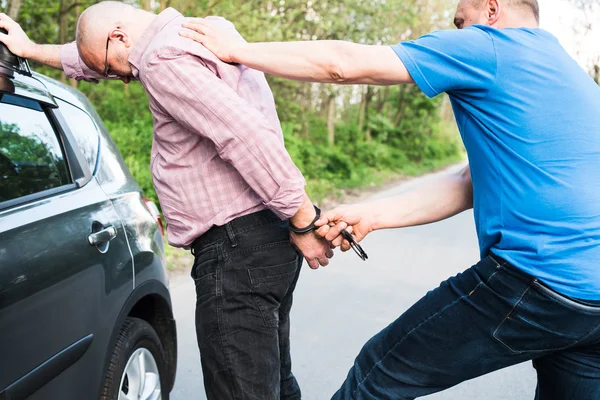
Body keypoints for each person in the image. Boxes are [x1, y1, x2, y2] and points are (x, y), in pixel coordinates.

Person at [179, 0, 600, 398]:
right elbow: (470, 183)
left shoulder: (490, 46)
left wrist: (239, 50)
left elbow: (340, 65)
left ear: (491, 9)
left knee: (378, 373)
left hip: (539, 279)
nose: (455, 29)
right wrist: (374, 215)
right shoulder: (566, 70)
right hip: (592, 304)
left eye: (459, 20)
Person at [0, 2, 336, 399]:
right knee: (275, 384)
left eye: (111, 69)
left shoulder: (160, 61)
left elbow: (244, 135)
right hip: (263, 239)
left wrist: (304, 218)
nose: (119, 79)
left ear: (121, 36)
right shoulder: (203, 32)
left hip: (235, 249)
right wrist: (31, 48)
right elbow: (95, 55)